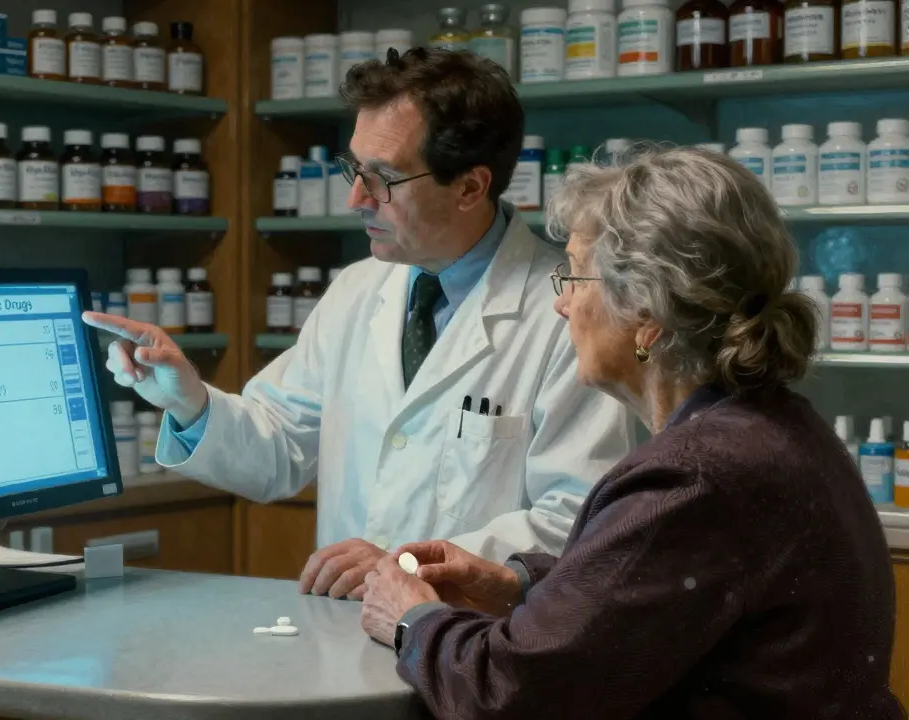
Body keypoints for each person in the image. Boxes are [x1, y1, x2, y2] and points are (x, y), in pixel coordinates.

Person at [359, 146, 903, 718]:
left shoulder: (696, 476)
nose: (562, 304)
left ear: (646, 310)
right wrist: (516, 583)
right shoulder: (770, 427)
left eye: (573, 274)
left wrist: (412, 619)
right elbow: (655, 593)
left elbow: (513, 692)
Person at [83, 48, 634, 599]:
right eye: (355, 169)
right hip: (347, 633)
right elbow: (278, 450)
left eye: (384, 178)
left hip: (481, 645)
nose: (356, 198)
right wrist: (188, 402)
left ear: (470, 187)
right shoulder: (357, 291)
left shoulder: (568, 309)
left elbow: (579, 518)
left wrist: (409, 567)